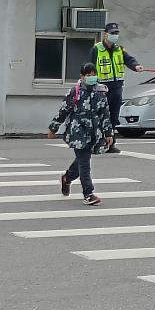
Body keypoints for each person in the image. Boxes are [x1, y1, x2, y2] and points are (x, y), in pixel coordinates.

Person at [47, 62, 114, 206]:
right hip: (78, 132)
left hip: (94, 133)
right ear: (82, 77)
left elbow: (105, 114)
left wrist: (109, 133)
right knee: (85, 164)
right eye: (88, 75)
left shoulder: (100, 93)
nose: (91, 78)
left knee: (82, 161)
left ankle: (67, 178)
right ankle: (88, 194)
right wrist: (53, 128)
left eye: (93, 75)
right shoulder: (75, 91)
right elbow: (63, 110)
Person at [89, 22, 144, 153]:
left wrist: (136, 66)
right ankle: (96, 142)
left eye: (116, 33)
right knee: (100, 116)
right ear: (105, 34)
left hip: (117, 88)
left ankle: (111, 144)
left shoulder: (119, 49)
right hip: (102, 88)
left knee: (113, 117)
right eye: (112, 33)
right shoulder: (96, 50)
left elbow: (129, 60)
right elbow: (90, 67)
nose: (115, 35)